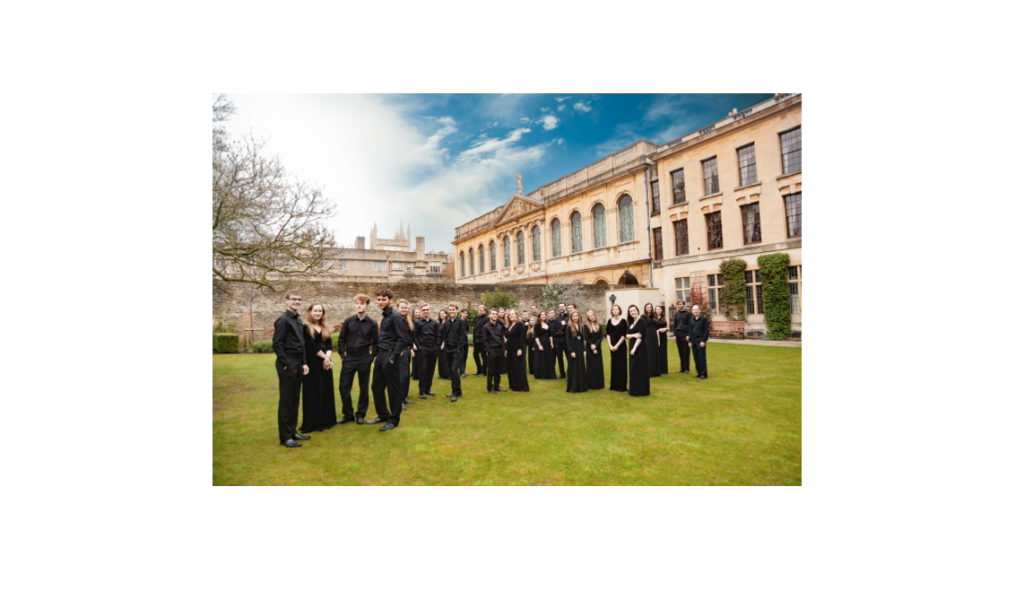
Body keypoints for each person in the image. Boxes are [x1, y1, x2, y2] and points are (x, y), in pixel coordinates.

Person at [369, 289, 412, 432]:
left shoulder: (395, 316)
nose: (380, 302)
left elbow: (403, 339)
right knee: (376, 387)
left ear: (391, 300)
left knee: (393, 390)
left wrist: (393, 357)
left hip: (390, 356)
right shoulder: (385, 316)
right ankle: (383, 415)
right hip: (381, 356)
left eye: (384, 299)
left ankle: (393, 420)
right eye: (379, 299)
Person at [272, 289, 311, 447]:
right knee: (286, 400)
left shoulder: (298, 319)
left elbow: (301, 343)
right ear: (286, 301)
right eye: (293, 299)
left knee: (295, 398)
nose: (296, 302)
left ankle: (292, 430)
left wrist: (304, 362)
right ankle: (285, 437)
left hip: (298, 361)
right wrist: (285, 362)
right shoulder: (283, 320)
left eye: (299, 299)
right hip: (287, 362)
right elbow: (277, 343)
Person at [336, 294, 378, 424]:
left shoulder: (372, 323)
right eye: (357, 303)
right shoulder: (348, 321)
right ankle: (348, 413)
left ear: (367, 305)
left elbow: (376, 342)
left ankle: (360, 414)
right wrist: (343, 356)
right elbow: (341, 339)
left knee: (363, 387)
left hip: (364, 357)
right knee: (343, 387)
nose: (358, 305)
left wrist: (371, 357)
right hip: (349, 358)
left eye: (361, 303)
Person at [300, 302, 337, 432]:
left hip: (325, 362)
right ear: (310, 312)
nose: (317, 313)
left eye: (320, 311)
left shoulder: (324, 327)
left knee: (326, 390)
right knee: (314, 391)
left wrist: (327, 357)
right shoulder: (305, 327)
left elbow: (329, 345)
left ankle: (326, 420)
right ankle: (313, 422)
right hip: (312, 363)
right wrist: (325, 358)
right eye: (315, 311)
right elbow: (311, 346)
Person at [440, 303, 468, 401]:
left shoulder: (461, 322)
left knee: (453, 370)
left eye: (453, 309)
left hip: (457, 350)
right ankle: (458, 390)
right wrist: (445, 347)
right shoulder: (447, 323)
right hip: (448, 350)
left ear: (457, 310)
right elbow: (444, 335)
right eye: (450, 309)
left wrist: (459, 348)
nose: (451, 311)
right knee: (453, 372)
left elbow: (463, 336)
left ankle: (454, 392)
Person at [414, 303, 439, 399]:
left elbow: (437, 335)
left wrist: (436, 346)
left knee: (430, 370)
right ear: (421, 311)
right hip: (423, 349)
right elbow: (415, 335)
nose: (425, 311)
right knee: (423, 370)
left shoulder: (434, 322)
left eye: (427, 309)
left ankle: (428, 389)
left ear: (429, 310)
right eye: (423, 310)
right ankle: (422, 391)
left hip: (433, 349)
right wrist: (419, 346)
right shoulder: (418, 322)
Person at [626, 304, 650, 396]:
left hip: (639, 347)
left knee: (639, 367)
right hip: (632, 346)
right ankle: (633, 389)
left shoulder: (641, 321)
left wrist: (634, 348)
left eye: (634, 310)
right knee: (633, 368)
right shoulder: (631, 322)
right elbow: (627, 335)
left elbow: (640, 337)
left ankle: (641, 390)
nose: (633, 312)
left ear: (637, 310)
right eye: (631, 311)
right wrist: (633, 335)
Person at [396, 299, 415, 406]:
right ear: (398, 308)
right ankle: (399, 400)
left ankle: (404, 397)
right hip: (400, 352)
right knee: (401, 376)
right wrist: (398, 350)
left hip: (407, 351)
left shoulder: (407, 320)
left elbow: (408, 337)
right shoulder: (396, 320)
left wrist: (411, 348)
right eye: (402, 307)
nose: (404, 309)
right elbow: (394, 337)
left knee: (406, 375)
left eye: (406, 308)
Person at [505, 309, 529, 391]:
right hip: (510, 348)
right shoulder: (510, 325)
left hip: (517, 348)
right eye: (510, 314)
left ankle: (521, 386)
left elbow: (523, 337)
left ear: (516, 315)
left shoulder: (520, 324)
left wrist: (520, 349)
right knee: (511, 367)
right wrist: (506, 349)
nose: (511, 315)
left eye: (513, 314)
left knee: (518, 367)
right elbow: (507, 337)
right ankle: (514, 385)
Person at [483, 308, 507, 393]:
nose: (494, 315)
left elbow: (502, 338)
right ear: (489, 315)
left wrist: (503, 349)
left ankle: (497, 386)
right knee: (491, 370)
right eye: (493, 314)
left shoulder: (499, 326)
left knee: (498, 369)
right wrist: (488, 350)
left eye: (496, 314)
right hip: (492, 349)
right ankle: (489, 387)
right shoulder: (486, 327)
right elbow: (484, 340)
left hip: (500, 349)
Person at [606, 304, 628, 392]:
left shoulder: (623, 321)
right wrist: (610, 345)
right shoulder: (609, 321)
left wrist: (616, 346)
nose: (614, 310)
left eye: (616, 309)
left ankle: (621, 386)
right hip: (612, 347)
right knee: (614, 365)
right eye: (613, 309)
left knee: (621, 365)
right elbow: (607, 334)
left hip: (621, 346)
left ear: (619, 311)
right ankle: (614, 385)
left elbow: (624, 335)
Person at [564, 310, 587, 393]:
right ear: (571, 317)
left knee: (580, 366)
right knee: (574, 367)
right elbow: (568, 340)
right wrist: (571, 351)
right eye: (573, 316)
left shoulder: (581, 326)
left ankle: (582, 386)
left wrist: (584, 349)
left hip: (580, 348)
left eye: (576, 316)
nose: (575, 317)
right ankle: (574, 386)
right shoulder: (569, 326)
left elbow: (582, 339)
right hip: (573, 349)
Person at [583, 310, 604, 390]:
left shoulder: (599, 325)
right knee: (591, 366)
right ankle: (591, 384)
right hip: (589, 348)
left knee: (598, 366)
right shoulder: (586, 326)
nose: (592, 317)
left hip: (598, 348)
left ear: (595, 316)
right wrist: (592, 345)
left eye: (593, 316)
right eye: (590, 316)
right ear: (588, 317)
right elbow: (586, 337)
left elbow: (601, 337)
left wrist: (595, 345)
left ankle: (599, 384)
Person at [687, 304, 709, 379]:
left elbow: (706, 331)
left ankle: (703, 373)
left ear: (699, 310)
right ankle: (698, 372)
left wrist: (703, 341)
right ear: (692, 311)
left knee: (701, 357)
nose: (695, 311)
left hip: (700, 340)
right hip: (693, 340)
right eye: (694, 310)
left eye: (696, 309)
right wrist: (690, 341)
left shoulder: (704, 319)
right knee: (696, 357)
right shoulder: (691, 319)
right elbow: (690, 330)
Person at [671, 299, 692, 374]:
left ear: (684, 304)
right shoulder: (676, 314)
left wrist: (689, 335)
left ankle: (686, 368)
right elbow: (675, 325)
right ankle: (682, 368)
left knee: (686, 351)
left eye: (681, 304)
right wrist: (674, 335)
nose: (680, 305)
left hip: (685, 334)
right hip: (678, 334)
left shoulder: (688, 313)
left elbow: (690, 325)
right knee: (680, 352)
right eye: (678, 304)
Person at [532, 311, 555, 379]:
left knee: (548, 358)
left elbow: (550, 334)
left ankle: (549, 374)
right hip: (540, 343)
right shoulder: (536, 324)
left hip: (547, 343)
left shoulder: (547, 323)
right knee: (541, 358)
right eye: (541, 315)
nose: (543, 316)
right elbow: (535, 336)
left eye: (544, 314)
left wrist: (551, 343)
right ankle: (541, 374)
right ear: (539, 316)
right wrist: (539, 345)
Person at [643, 303, 662, 377]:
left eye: (650, 307)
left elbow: (657, 328)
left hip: (654, 336)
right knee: (649, 353)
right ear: (645, 308)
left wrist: (658, 339)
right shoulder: (643, 317)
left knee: (654, 352)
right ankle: (649, 371)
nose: (649, 308)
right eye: (647, 307)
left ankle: (655, 371)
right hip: (647, 336)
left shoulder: (654, 316)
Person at [552, 302, 568, 378]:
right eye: (560, 307)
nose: (561, 308)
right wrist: (556, 335)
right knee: (559, 357)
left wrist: (564, 325)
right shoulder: (557, 318)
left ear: (565, 307)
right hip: (558, 340)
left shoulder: (568, 317)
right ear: (559, 308)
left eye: (563, 306)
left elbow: (568, 328)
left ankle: (569, 372)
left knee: (569, 357)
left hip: (565, 339)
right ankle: (562, 373)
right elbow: (555, 329)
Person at [472, 304, 488, 376]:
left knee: (483, 356)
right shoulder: (478, 318)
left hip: (482, 340)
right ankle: (479, 369)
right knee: (475, 354)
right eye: (479, 310)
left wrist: (483, 339)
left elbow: (485, 330)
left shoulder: (486, 318)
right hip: (476, 340)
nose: (480, 311)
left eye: (481, 310)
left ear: (484, 311)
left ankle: (483, 371)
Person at [655, 305, 670, 375]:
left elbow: (668, 328)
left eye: (659, 309)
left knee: (663, 352)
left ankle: (664, 369)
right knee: (657, 352)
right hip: (656, 336)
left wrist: (664, 329)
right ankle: (658, 368)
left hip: (663, 336)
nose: (658, 310)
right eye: (657, 309)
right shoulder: (654, 319)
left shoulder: (665, 318)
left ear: (661, 310)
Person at [437, 309, 451, 380]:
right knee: (440, 358)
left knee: (446, 358)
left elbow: (446, 334)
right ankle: (441, 374)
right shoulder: (439, 323)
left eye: (443, 313)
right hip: (438, 342)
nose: (441, 315)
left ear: (446, 314)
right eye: (440, 313)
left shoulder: (447, 323)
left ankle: (447, 374)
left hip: (444, 342)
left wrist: (443, 343)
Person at [410, 308, 421, 381]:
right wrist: (413, 344)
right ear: (413, 313)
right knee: (415, 358)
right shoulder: (411, 322)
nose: (417, 314)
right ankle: (415, 374)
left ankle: (419, 373)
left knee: (420, 359)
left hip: (420, 341)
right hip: (414, 342)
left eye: (418, 312)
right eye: (416, 312)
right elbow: (411, 334)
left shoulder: (420, 321)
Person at [459, 309, 470, 377]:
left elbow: (467, 330)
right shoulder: (459, 321)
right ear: (461, 313)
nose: (465, 314)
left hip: (465, 340)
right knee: (461, 356)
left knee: (465, 356)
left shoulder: (466, 321)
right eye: (464, 313)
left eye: (466, 313)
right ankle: (461, 372)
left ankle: (464, 371)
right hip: (460, 341)